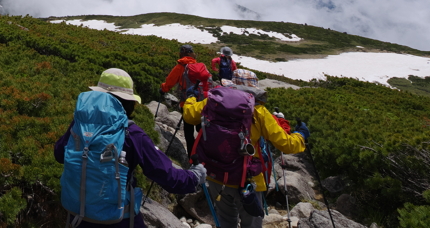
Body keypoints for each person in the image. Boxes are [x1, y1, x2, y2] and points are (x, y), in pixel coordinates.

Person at [55, 68, 205, 228]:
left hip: (77, 217)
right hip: (118, 220)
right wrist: (194, 177)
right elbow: (167, 175)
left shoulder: (79, 125)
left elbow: (59, 154)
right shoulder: (132, 133)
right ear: (128, 102)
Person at [182, 70, 309, 228]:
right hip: (246, 180)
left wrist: (191, 98)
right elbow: (287, 144)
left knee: (226, 220)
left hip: (215, 174)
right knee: (252, 223)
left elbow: (188, 115)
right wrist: (301, 135)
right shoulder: (258, 111)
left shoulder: (213, 102)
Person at [160, 45, 211, 152]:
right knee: (201, 130)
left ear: (182, 53)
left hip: (187, 103)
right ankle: (204, 153)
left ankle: (191, 157)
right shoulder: (199, 66)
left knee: (188, 132)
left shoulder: (180, 67)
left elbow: (169, 83)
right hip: (202, 103)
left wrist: (163, 89)